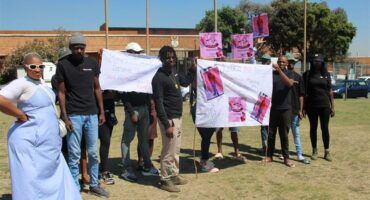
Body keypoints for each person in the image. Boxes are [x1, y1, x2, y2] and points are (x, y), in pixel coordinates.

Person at [0, 52, 81, 200]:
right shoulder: (22, 83)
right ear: (25, 67)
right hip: (30, 142)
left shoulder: (43, 84)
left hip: (48, 143)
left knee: (53, 176)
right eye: (33, 66)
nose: (37, 69)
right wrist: (20, 114)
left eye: (40, 66)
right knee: (29, 179)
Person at [55, 32, 109, 197]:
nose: (79, 50)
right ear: (71, 48)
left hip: (92, 114)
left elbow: (97, 88)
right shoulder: (63, 65)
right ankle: (73, 188)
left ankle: (94, 184)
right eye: (75, 48)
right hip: (73, 115)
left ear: (85, 48)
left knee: (93, 152)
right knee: (74, 154)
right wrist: (65, 117)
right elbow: (62, 93)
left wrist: (101, 111)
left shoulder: (92, 64)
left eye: (81, 47)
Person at [152, 46, 195, 192]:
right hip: (169, 119)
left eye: (172, 57)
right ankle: (165, 179)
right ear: (162, 59)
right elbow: (158, 103)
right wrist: (166, 124)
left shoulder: (174, 72)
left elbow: (185, 82)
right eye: (167, 57)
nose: (170, 60)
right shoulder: (158, 78)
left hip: (178, 117)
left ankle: (174, 174)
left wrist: (193, 69)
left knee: (175, 149)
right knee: (168, 150)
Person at [120, 42, 159, 182]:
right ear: (129, 52)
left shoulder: (142, 69)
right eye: (135, 52)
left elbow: (147, 89)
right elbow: (123, 94)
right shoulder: (124, 71)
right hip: (133, 110)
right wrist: (131, 111)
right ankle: (126, 169)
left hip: (143, 108)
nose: (138, 55)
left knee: (143, 140)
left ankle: (147, 166)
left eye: (139, 52)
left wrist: (148, 108)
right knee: (127, 140)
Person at [264, 55, 295, 167]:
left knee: (284, 135)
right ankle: (269, 156)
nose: (281, 64)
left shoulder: (290, 74)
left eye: (283, 62)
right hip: (273, 108)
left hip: (286, 108)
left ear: (287, 63)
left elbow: (289, 83)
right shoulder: (272, 74)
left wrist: (279, 70)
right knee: (271, 134)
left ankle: (286, 158)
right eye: (279, 62)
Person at [303, 54, 335, 161]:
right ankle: (314, 151)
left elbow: (330, 91)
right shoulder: (307, 75)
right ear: (312, 62)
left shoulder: (326, 75)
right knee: (313, 128)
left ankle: (327, 151)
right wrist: (303, 108)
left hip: (325, 106)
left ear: (322, 63)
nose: (317, 63)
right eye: (315, 61)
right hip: (311, 106)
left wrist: (333, 106)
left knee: (325, 128)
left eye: (319, 61)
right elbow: (303, 92)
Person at [189, 58, 219, 173]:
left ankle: (204, 160)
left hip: (207, 111)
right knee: (206, 136)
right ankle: (205, 163)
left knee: (206, 136)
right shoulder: (198, 81)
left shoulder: (212, 82)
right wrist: (195, 67)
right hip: (199, 111)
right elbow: (195, 83)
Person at [286, 53, 310, 164]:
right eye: (289, 61)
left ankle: (299, 154)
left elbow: (301, 95)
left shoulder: (298, 77)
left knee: (296, 133)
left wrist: (301, 110)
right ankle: (284, 154)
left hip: (295, 109)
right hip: (284, 109)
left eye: (292, 62)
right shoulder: (281, 75)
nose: (291, 64)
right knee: (284, 133)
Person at [99, 90, 117, 185]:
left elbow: (116, 95)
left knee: (107, 141)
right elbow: (96, 94)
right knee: (105, 140)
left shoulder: (112, 77)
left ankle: (102, 167)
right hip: (99, 113)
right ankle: (104, 171)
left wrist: (114, 94)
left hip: (110, 112)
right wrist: (109, 95)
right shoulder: (96, 78)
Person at [259, 53, 271, 154]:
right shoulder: (258, 73)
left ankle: (270, 146)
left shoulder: (272, 73)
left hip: (271, 103)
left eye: (266, 61)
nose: (264, 63)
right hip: (262, 102)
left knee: (270, 126)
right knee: (263, 126)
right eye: (263, 61)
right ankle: (264, 145)